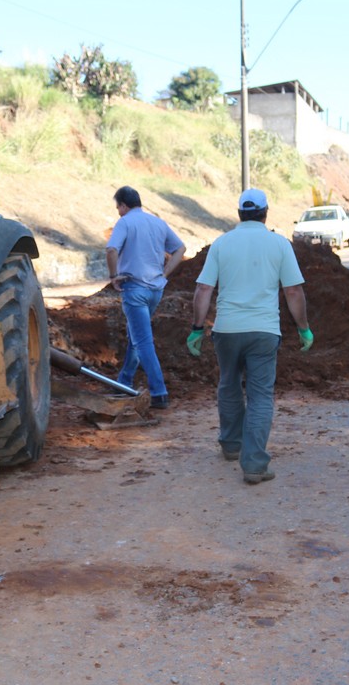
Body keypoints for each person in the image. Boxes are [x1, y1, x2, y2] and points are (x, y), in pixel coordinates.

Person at [187, 188, 312, 484]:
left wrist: (197, 328)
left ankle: (232, 445)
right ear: (265, 213)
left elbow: (203, 289)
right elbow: (293, 291)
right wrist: (303, 327)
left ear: (239, 213)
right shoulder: (279, 244)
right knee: (260, 396)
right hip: (264, 332)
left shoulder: (221, 243)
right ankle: (254, 464)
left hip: (227, 330)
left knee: (229, 384)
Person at [105, 186, 186, 410]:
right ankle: (124, 381)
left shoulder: (125, 223)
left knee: (142, 341)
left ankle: (159, 392)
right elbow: (180, 248)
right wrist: (165, 273)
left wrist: (113, 276)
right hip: (155, 290)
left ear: (123, 205)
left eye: (118, 207)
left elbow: (111, 250)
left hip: (135, 288)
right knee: (137, 335)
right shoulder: (158, 222)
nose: (118, 212)